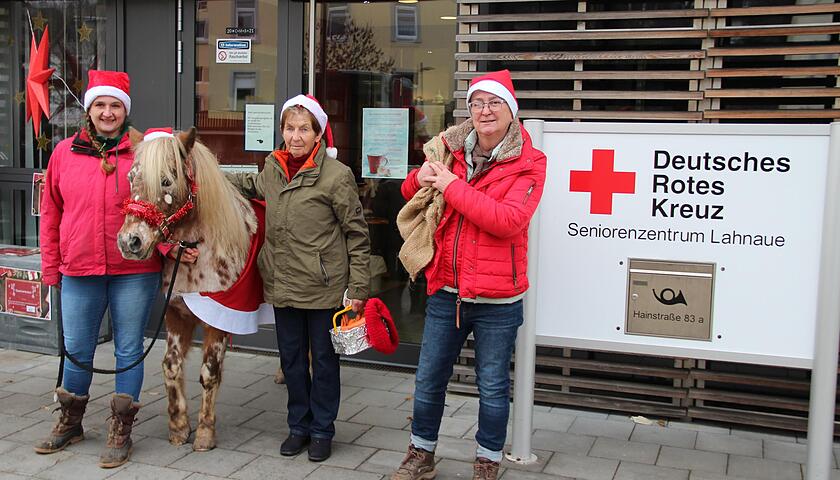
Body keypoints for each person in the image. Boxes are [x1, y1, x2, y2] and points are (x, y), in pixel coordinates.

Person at [392, 70, 546, 480]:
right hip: (447, 289)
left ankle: (487, 460)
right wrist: (420, 178)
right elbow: (414, 193)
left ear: (511, 111)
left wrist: (450, 186)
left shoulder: (529, 163)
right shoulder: (449, 148)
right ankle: (420, 455)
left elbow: (508, 221)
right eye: (477, 103)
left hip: (499, 299)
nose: (485, 111)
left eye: (495, 103)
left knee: (493, 388)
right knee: (428, 380)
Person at [227, 94, 370, 462]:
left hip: (323, 287)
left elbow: (357, 235)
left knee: (323, 361)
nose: (295, 136)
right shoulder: (273, 169)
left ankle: (322, 429)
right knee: (291, 360)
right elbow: (253, 185)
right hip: (283, 283)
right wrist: (208, 174)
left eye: (303, 128)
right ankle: (298, 427)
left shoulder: (337, 177)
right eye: (289, 128)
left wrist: (358, 288)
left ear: (317, 133)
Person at [36, 70, 162, 468]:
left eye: (115, 106)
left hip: (134, 270)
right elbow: (50, 213)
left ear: (125, 110)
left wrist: (174, 250)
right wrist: (50, 267)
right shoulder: (63, 153)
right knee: (76, 349)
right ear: (89, 109)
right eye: (100, 105)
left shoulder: (145, 152)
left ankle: (121, 428)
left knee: (128, 348)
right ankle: (71, 422)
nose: (108, 112)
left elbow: (166, 207)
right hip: (78, 266)